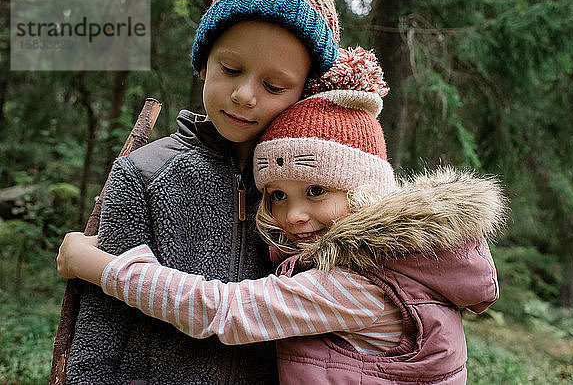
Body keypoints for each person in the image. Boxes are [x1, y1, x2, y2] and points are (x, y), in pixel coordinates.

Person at [58, 49, 506, 384]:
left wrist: (99, 266)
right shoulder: (400, 259)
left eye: (316, 190)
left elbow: (224, 311)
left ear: (366, 190)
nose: (292, 216)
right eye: (274, 195)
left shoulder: (358, 282)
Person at [64, 0, 341, 383]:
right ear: (203, 64)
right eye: (230, 69)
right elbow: (100, 327)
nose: (245, 94)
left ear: (305, 91)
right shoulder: (144, 174)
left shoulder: (321, 190)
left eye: (274, 85)